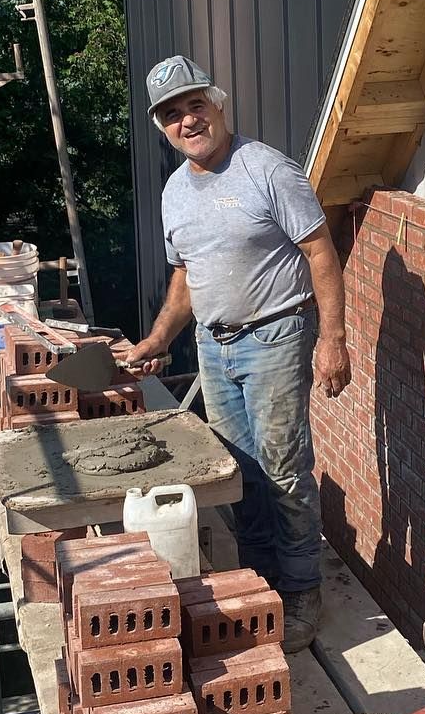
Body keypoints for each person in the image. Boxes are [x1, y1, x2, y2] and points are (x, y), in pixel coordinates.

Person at [125, 55, 351, 650]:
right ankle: (261, 584)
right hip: (212, 342)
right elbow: (186, 277)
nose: (187, 120)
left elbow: (320, 251)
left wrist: (333, 338)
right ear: (162, 126)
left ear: (216, 103)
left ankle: (302, 591)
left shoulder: (267, 169)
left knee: (282, 469)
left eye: (195, 104)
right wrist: (158, 338)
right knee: (238, 474)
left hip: (275, 333)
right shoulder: (176, 191)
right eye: (172, 114)